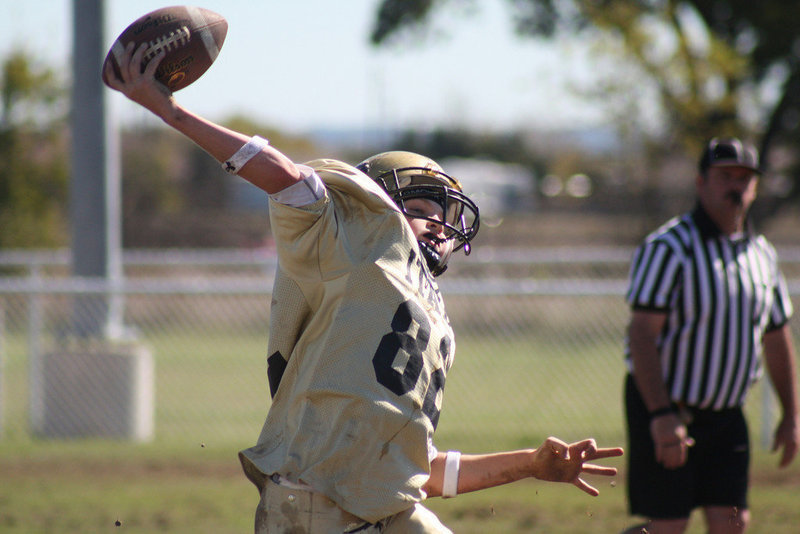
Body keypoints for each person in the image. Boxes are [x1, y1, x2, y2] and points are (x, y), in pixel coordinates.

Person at [105, 42, 624, 533]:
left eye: (444, 217)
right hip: (315, 499)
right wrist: (173, 113)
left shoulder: (429, 314)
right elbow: (285, 177)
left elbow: (413, 471)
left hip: (381, 503)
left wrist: (530, 464)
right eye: (419, 209)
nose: (438, 227)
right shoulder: (354, 241)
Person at [622, 137, 800, 534]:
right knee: (668, 526)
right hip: (670, 407)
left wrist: (792, 415)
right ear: (701, 182)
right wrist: (661, 415)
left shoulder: (762, 254)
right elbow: (642, 333)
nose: (736, 186)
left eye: (744, 178)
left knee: (733, 523)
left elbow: (776, 337)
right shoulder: (669, 248)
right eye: (725, 176)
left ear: (756, 187)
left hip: (727, 414)